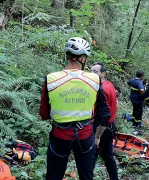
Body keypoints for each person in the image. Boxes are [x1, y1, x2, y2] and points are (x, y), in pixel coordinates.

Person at [40, 37, 111, 180]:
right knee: (86, 176)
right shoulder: (94, 79)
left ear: (67, 56)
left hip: (60, 134)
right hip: (85, 135)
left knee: (54, 176)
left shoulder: (51, 79)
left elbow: (44, 113)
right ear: (83, 59)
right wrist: (97, 136)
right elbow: (105, 113)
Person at [91, 62, 119, 180]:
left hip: (102, 128)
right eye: (90, 71)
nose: (91, 74)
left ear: (103, 73)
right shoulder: (109, 85)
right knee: (107, 156)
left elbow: (105, 115)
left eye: (95, 71)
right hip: (109, 127)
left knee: (92, 155)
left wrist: (97, 136)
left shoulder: (101, 89)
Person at [127, 70, 144, 135]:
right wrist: (142, 95)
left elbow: (128, 83)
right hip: (138, 100)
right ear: (141, 76)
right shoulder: (139, 82)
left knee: (134, 109)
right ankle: (137, 125)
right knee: (139, 112)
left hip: (132, 98)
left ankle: (133, 122)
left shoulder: (132, 80)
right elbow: (142, 90)